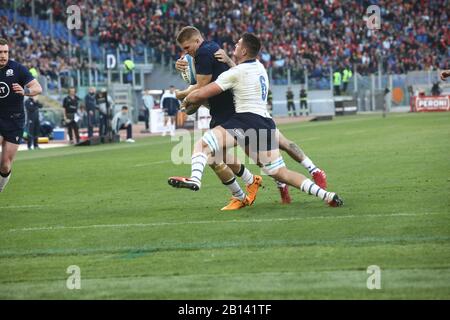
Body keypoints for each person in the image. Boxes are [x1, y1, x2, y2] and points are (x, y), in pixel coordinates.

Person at [169, 33, 343, 208]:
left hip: (245, 121)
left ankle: (195, 179)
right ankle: (327, 195)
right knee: (280, 172)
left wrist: (182, 97)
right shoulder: (259, 67)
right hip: (265, 122)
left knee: (203, 145)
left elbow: (202, 92)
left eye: (237, 44)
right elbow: (236, 71)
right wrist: (229, 62)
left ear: (244, 50)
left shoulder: (235, 73)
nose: (234, 46)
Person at [174, 26, 261, 210]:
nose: (186, 52)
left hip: (230, 112)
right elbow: (201, 85)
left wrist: (181, 95)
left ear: (197, 41)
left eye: (187, 48)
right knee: (217, 155)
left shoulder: (204, 53)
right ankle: (250, 182)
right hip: (222, 109)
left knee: (210, 153)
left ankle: (239, 193)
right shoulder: (207, 49)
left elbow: (202, 87)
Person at [0, 38, 42, 192]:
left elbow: (38, 88)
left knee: (5, 165)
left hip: (14, 121)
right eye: (0, 52)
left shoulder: (17, 69)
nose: (3, 55)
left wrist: (25, 91)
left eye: (5, 52)